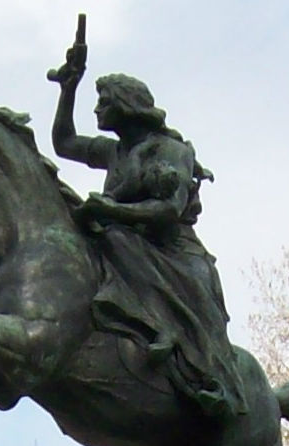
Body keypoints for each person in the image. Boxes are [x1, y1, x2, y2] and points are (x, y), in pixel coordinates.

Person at [47, 33, 244, 419]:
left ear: (126, 106)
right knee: (103, 242)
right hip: (126, 241)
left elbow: (169, 211)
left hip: (174, 253)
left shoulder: (172, 150)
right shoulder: (114, 151)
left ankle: (198, 365)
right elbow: (64, 142)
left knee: (116, 238)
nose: (98, 109)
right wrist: (68, 88)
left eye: (103, 102)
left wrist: (111, 211)